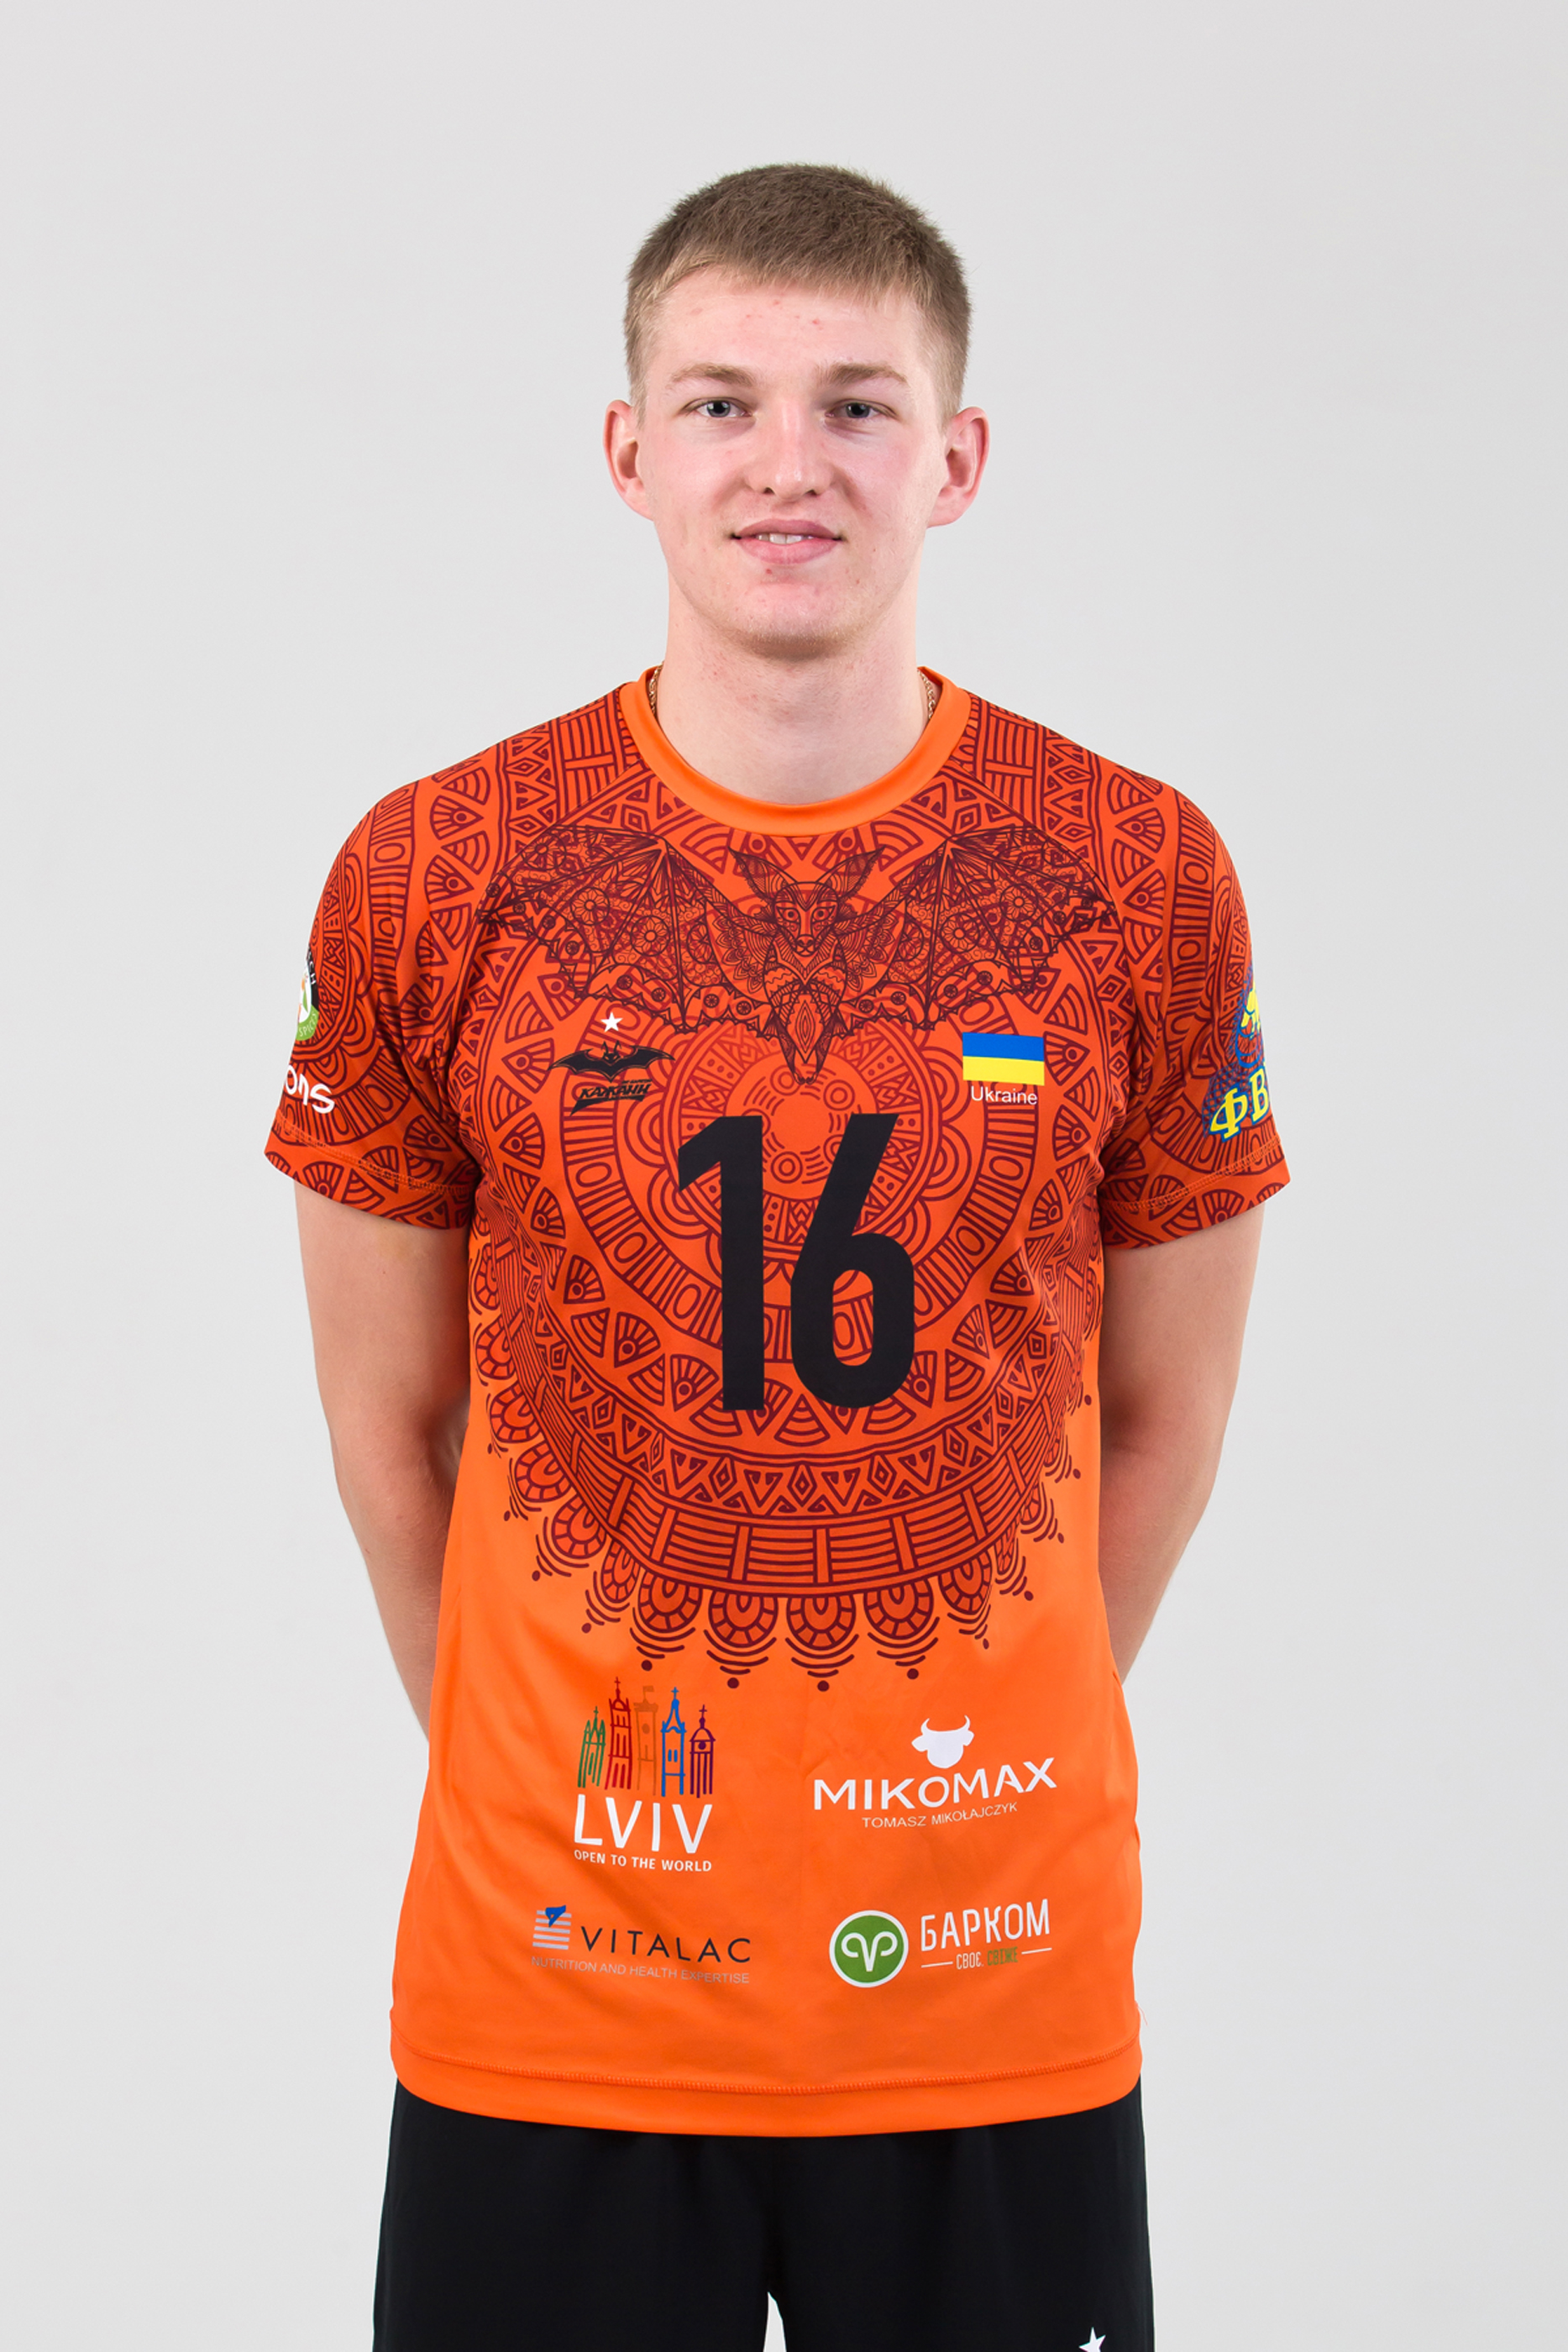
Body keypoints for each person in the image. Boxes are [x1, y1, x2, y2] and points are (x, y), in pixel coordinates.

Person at [269, 163, 1287, 2352]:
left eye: (856, 405)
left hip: (990, 1978)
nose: (786, 464)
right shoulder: (436, 868)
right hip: (556, 1984)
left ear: (958, 457)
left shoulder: (1137, 871)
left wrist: (979, 1733)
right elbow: (386, 1424)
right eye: (722, 403)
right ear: (628, 450)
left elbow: (1170, 1408)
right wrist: (539, 1776)